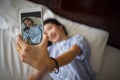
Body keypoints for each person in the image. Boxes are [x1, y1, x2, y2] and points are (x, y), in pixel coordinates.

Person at [16, 18, 95, 80]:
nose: (49, 33)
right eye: (45, 33)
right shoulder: (48, 50)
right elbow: (36, 75)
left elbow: (73, 52)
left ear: (60, 27)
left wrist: (52, 63)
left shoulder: (77, 39)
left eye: (50, 28)